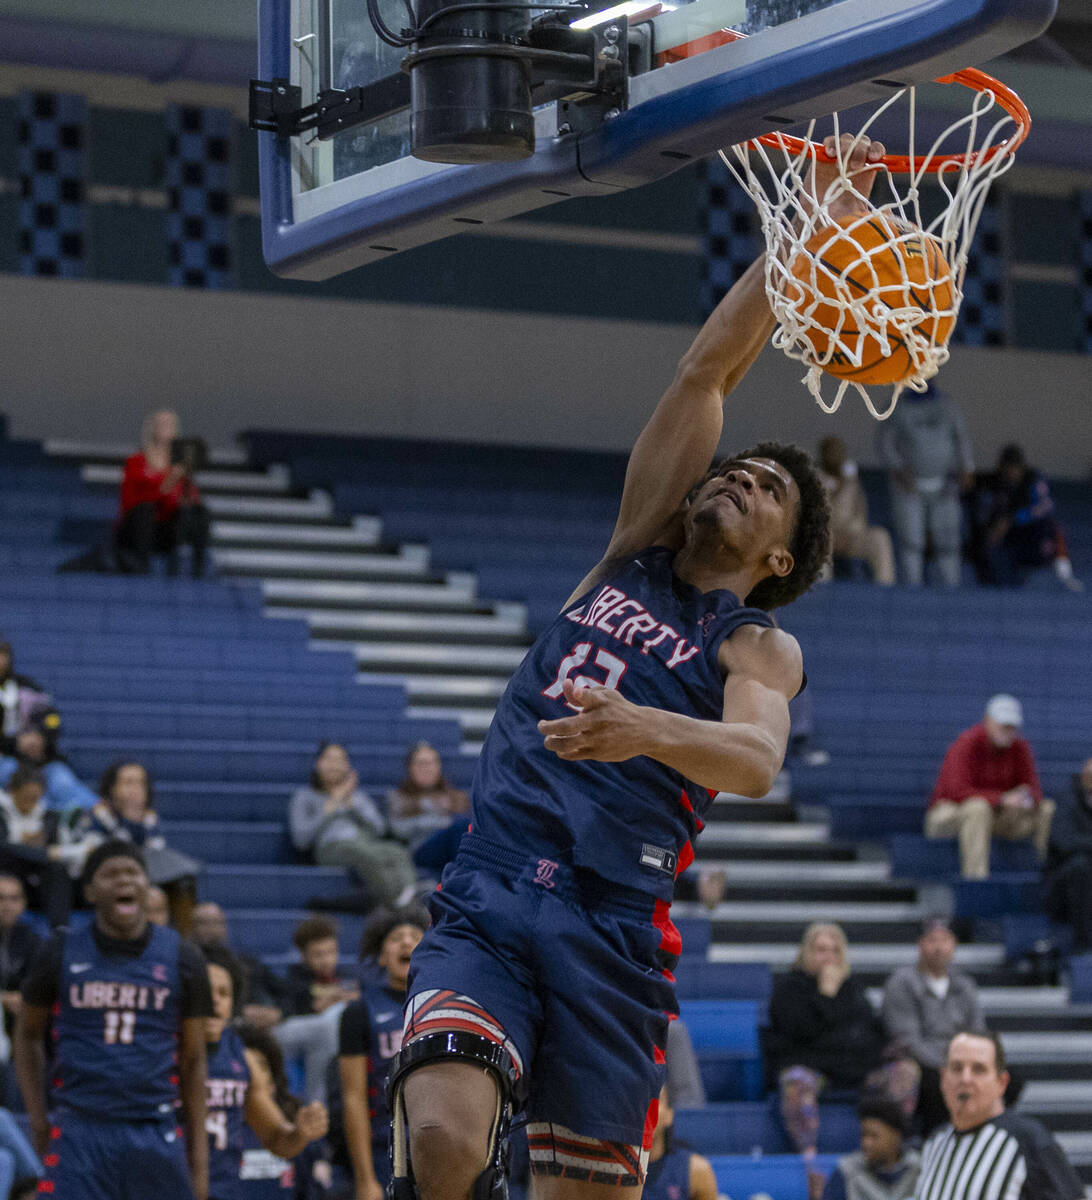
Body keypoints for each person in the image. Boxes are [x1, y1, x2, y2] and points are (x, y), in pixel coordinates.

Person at [392, 136, 879, 1200]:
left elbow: (753, 759)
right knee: (442, 1139)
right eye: (736, 468)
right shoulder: (630, 552)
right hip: (492, 889)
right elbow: (708, 369)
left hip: (614, 933)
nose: (739, 480)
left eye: (764, 491)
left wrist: (645, 729)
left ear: (780, 559)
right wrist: (802, 233)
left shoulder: (756, 644)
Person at [13, 840, 212, 1199]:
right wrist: (40, 1121)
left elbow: (195, 1059)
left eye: (133, 872)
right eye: (110, 874)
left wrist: (199, 1158)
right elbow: (26, 1035)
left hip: (154, 1124)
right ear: (89, 891)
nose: (124, 880)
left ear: (147, 886)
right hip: (79, 1127)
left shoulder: (184, 957)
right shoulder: (58, 951)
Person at [768, 924, 919, 1163]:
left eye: (835, 951)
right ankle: (809, 1160)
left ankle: (894, 1148)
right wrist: (826, 994)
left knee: (904, 1071)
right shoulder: (788, 988)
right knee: (796, 1081)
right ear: (806, 952)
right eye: (821, 950)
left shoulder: (853, 988)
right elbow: (801, 1032)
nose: (829, 957)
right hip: (816, 1071)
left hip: (856, 1071)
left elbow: (867, 1034)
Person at [203, 945, 329, 1200]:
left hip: (223, 1191)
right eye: (205, 992)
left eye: (224, 993)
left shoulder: (240, 1058)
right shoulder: (159, 1050)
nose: (215, 1000)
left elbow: (276, 1137)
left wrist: (300, 1133)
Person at [331, 905, 427, 1200]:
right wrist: (365, 1180)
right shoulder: (359, 1012)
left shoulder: (446, 1007)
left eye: (415, 936)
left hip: (438, 1143)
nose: (406, 942)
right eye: (397, 937)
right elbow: (353, 1099)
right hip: (385, 1150)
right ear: (383, 955)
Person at [916, 1031, 1083, 1199]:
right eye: (957, 1068)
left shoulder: (1027, 1140)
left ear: (1001, 1082)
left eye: (978, 1069)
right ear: (943, 1079)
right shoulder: (935, 1141)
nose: (965, 1079)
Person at [925, 694, 1054, 880]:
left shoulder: (1020, 748)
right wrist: (1002, 798)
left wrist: (1024, 798)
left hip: (996, 817)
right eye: (1003, 725)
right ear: (988, 721)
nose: (1008, 731)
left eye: (1012, 726)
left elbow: (1034, 790)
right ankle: (977, 884)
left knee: (1047, 808)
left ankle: (1051, 877)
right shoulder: (966, 744)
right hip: (950, 815)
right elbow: (956, 791)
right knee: (977, 808)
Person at [881, 916, 984, 1136]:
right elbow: (906, 1039)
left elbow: (977, 1032)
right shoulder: (901, 983)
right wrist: (946, 1066)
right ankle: (934, 1145)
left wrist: (962, 1065)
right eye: (932, 940)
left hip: (958, 1061)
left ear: (954, 946)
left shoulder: (965, 986)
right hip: (920, 1061)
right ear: (920, 944)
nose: (939, 948)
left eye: (945, 940)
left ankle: (985, 1143)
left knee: (1008, 1080)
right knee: (934, 1084)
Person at [290, 743, 416, 909]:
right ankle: (399, 905)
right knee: (363, 853)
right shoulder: (304, 796)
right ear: (318, 764)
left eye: (339, 760)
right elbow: (301, 840)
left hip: (366, 844)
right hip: (331, 847)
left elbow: (379, 829)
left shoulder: (358, 798)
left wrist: (352, 805)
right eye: (329, 759)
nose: (334, 765)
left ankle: (409, 896)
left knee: (397, 852)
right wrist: (330, 807)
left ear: (348, 766)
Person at [80, 760, 201, 931]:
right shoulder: (97, 816)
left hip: (148, 877)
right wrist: (129, 822)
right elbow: (99, 856)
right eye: (128, 783)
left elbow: (157, 854)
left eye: (140, 783)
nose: (135, 789)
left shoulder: (151, 818)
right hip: (111, 881)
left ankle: (183, 940)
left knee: (183, 880)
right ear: (112, 789)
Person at [875, 381, 974, 586]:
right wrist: (898, 469)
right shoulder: (898, 406)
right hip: (909, 487)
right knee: (911, 542)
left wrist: (967, 467)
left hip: (944, 485)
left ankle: (951, 591)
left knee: (948, 542)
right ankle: (912, 590)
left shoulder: (947, 405)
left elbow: (961, 438)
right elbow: (884, 442)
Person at [236, 1024, 333, 1200]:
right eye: (245, 1067)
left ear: (273, 1080)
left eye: (261, 1066)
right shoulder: (219, 1127)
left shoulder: (296, 1123)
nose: (253, 1076)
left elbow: (311, 1189)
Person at [970, 443, 1082, 591]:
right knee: (984, 541)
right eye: (1007, 468)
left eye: (1014, 468)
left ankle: (1064, 575)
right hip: (1008, 537)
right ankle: (990, 582)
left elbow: (1045, 507)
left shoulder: (1033, 480)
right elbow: (973, 487)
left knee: (1054, 531)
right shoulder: (995, 481)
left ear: (1021, 468)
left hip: (1032, 532)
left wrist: (1013, 519)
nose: (1011, 473)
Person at [274, 916, 359, 1105]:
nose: (327, 960)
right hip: (303, 1036)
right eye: (318, 954)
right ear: (304, 956)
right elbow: (290, 1014)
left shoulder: (349, 980)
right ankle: (316, 1105)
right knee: (325, 1028)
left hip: (340, 1041)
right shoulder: (294, 980)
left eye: (331, 952)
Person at [115, 410, 211, 577]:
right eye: (163, 424)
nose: (168, 429)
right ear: (152, 428)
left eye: (172, 424)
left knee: (199, 513)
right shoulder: (136, 462)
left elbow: (186, 499)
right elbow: (139, 501)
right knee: (145, 512)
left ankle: (198, 570)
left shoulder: (181, 466)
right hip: (137, 528)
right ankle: (142, 567)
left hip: (167, 529)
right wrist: (171, 478)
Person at [0, 765, 84, 926]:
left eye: (35, 798)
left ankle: (59, 929)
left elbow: (57, 851)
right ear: (13, 791)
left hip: (37, 882)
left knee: (58, 871)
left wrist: (47, 853)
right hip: (6, 873)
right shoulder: (2, 814)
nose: (30, 803)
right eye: (26, 797)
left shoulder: (49, 817)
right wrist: (46, 853)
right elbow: (4, 847)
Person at [192, 901, 286, 1031]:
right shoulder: (189, 965)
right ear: (192, 927)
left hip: (264, 1028)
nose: (212, 929)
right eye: (204, 923)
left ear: (225, 927)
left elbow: (284, 991)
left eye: (217, 922)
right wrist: (241, 1014)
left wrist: (278, 1012)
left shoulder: (247, 962)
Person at [816, 436, 894, 586]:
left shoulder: (852, 482)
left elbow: (860, 512)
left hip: (851, 536)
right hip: (827, 536)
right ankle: (822, 594)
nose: (835, 456)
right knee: (817, 541)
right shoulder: (816, 479)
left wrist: (848, 481)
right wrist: (842, 485)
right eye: (831, 452)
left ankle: (885, 593)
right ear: (823, 454)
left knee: (880, 537)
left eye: (838, 452)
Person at [0, 707, 99, 814]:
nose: (36, 741)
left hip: (48, 807)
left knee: (59, 774)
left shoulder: (55, 769)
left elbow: (74, 792)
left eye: (44, 737)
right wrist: (15, 743)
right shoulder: (9, 760)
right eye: (33, 733)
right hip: (11, 805)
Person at [1043, 757, 1092, 952]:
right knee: (1081, 866)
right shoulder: (1066, 801)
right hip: (1062, 887)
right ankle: (1085, 946)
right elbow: (1064, 842)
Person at [386, 743, 470, 854]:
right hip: (418, 849)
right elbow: (396, 829)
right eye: (421, 763)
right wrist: (437, 817)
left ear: (439, 767)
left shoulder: (455, 797)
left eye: (431, 763)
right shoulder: (397, 797)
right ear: (410, 768)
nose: (426, 769)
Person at [639, 1086, 717, 1200]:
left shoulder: (697, 1171)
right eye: (639, 1101)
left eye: (654, 1100)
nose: (645, 1109)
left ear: (669, 1115)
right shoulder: (607, 1168)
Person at [0, 640, 50, 758]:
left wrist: (40, 738)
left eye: (3, 654)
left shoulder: (26, 687)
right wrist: (15, 742)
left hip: (32, 757)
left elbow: (50, 717)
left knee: (62, 775)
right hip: (5, 756)